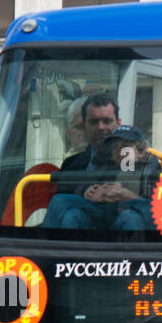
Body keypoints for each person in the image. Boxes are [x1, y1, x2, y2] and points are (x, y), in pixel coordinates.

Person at [42, 94, 121, 229]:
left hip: (117, 224)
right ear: (83, 126)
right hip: (86, 226)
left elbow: (133, 184)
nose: (101, 127)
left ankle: (41, 249)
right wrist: (86, 191)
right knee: (70, 216)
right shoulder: (71, 163)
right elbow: (63, 189)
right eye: (94, 122)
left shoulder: (130, 154)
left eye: (107, 121)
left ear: (119, 124)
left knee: (60, 202)